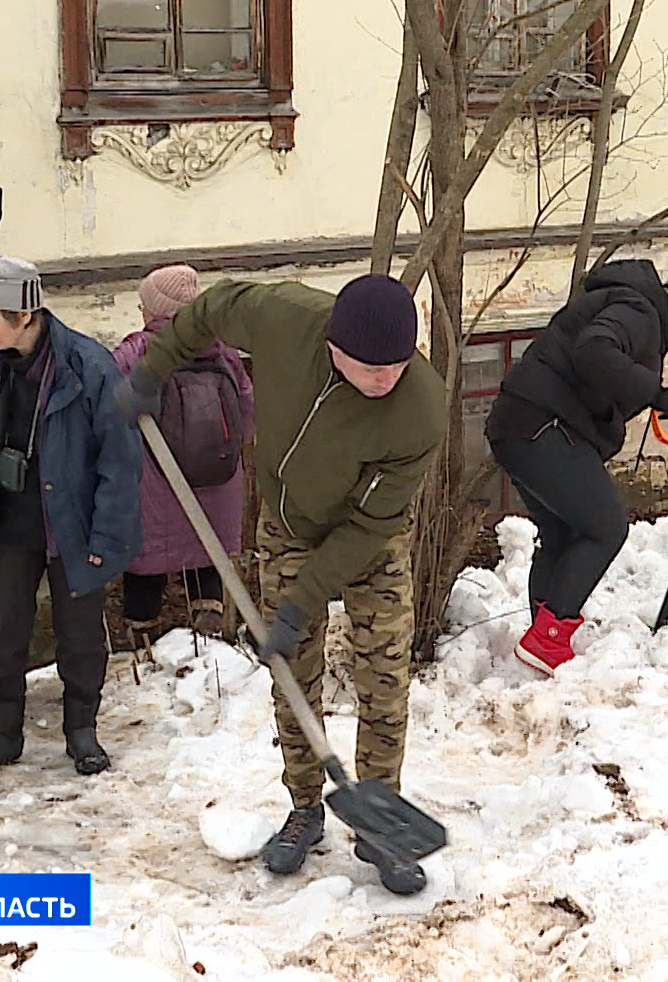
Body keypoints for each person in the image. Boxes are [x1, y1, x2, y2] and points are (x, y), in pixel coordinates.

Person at [109, 273, 442, 895]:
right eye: (368, 367)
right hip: (288, 527)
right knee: (292, 675)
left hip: (371, 541)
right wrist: (154, 371)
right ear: (332, 345)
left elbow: (371, 522)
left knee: (385, 676)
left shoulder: (420, 406)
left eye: (395, 367)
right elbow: (203, 311)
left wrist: (303, 597)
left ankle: (382, 823)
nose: (382, 381)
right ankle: (305, 807)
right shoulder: (283, 317)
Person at [0, 254, 144, 777]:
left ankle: (82, 731)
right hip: (9, 522)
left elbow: (121, 459)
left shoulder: (89, 366)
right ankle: (0, 734)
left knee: (81, 636)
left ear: (24, 317)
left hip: (73, 526)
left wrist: (104, 537)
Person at [485, 259, 668, 676]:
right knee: (606, 526)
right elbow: (594, 350)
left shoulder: (626, 302)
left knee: (565, 531)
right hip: (543, 425)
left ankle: (542, 632)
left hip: (518, 425)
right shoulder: (640, 310)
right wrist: (655, 393)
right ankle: (549, 638)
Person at [110, 265, 255, 644]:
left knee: (147, 564)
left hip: (157, 485)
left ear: (154, 311)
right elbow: (247, 410)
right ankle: (210, 640)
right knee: (208, 553)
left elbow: (106, 399)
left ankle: (140, 638)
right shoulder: (223, 351)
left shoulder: (138, 350)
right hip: (218, 480)